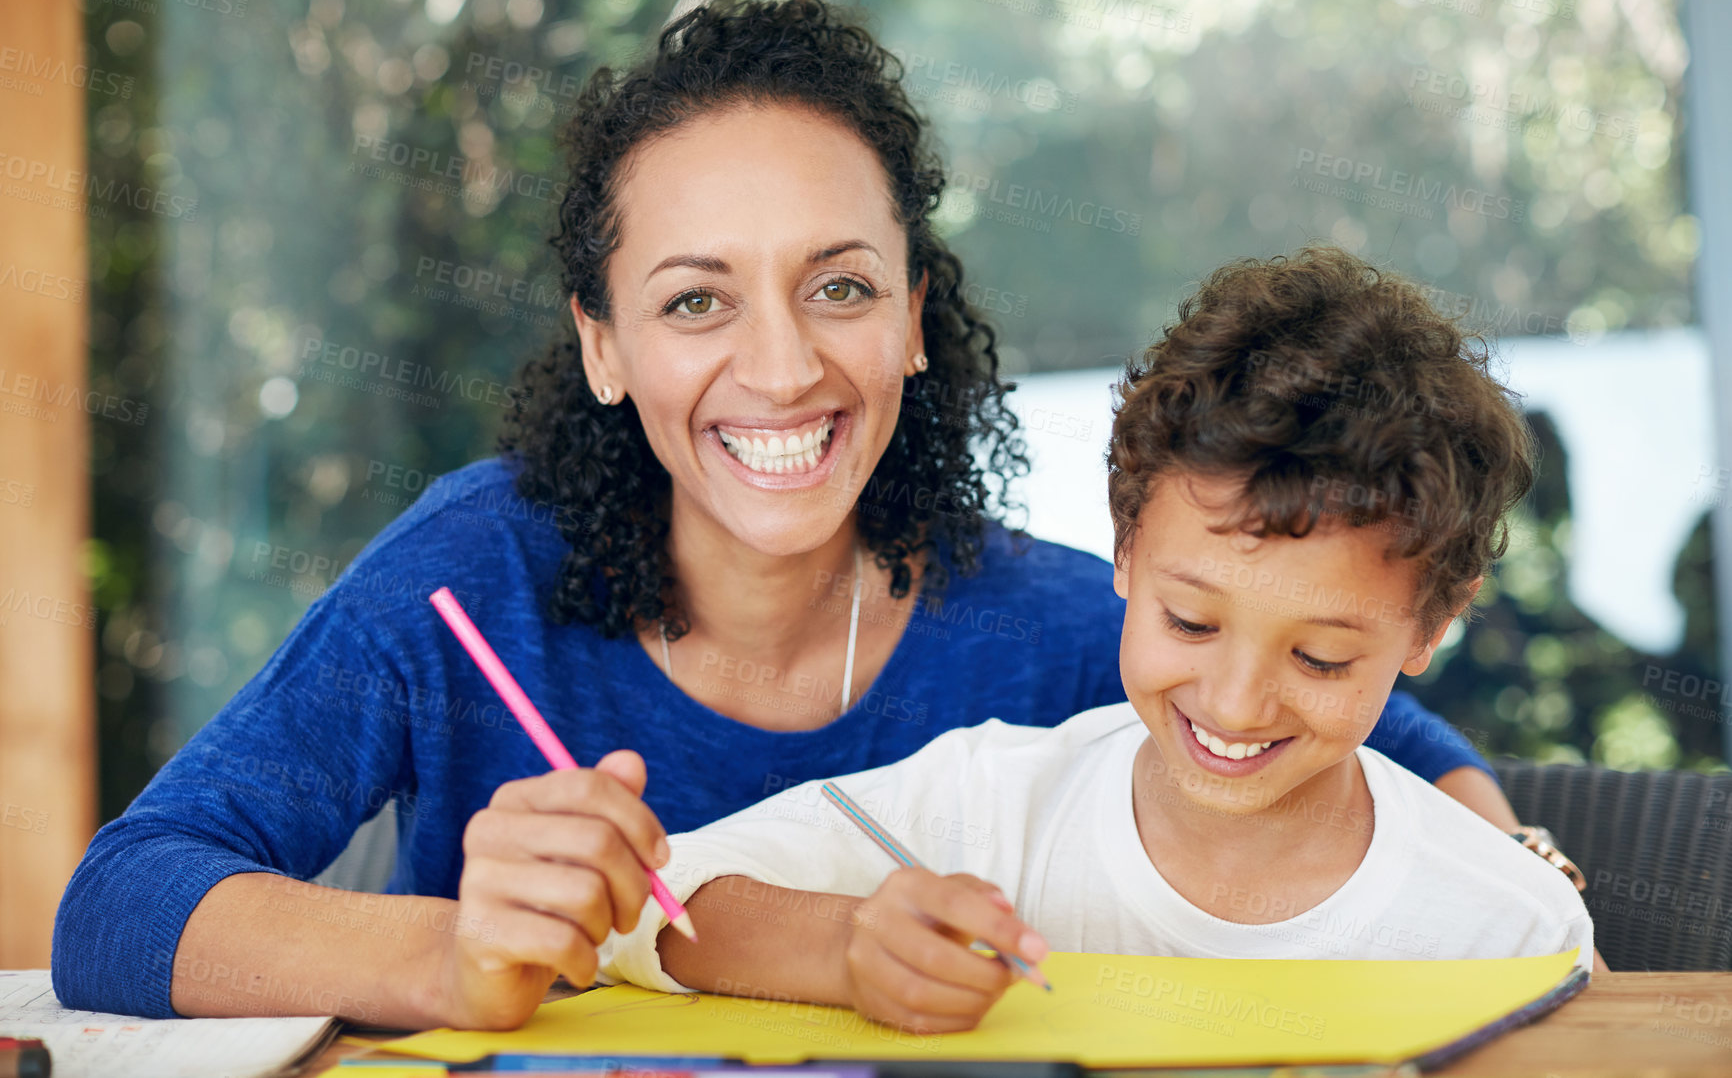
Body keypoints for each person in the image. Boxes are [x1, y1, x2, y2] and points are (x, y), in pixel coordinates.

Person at [52, 0, 1517, 1032]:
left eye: (841, 286)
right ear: (603, 345)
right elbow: (120, 903)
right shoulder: (472, 574)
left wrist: (1520, 899)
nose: (780, 365)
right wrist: (452, 955)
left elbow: (1399, 746)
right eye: (696, 300)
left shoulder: (1056, 621)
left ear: (917, 319)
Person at [598, 248, 1595, 1034]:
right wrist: (849, 942)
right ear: (1122, 549)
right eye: (1190, 621)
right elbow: (653, 902)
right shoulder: (987, 809)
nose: (1238, 702)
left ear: (1432, 621)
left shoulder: (1510, 928)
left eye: (1320, 656)